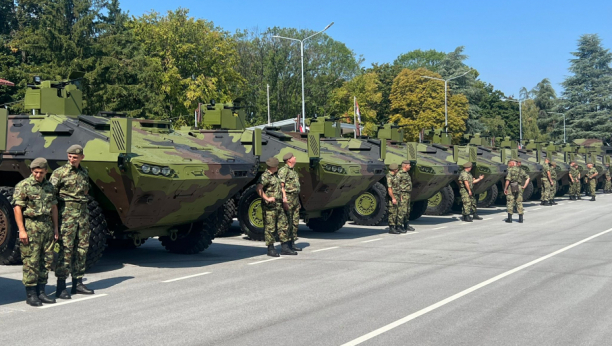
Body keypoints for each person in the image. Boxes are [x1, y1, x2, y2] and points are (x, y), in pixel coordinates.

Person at [13, 158, 59, 306]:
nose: (38, 175)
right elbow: (17, 208)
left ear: (46, 171)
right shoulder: (24, 186)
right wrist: (22, 230)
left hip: (46, 226)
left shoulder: (49, 187)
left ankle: (41, 291)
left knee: (46, 261)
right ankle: (31, 294)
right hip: (31, 226)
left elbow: (53, 208)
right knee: (31, 261)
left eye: (41, 172)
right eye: (35, 172)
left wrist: (56, 228)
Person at [51, 145, 94, 298]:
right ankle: (61, 286)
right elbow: (51, 196)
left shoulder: (84, 172)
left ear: (81, 157)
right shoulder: (59, 173)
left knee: (82, 249)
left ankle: (78, 283)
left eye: (75, 157)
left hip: (82, 214)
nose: (72, 159)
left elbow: (86, 191)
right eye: (70, 156)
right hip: (66, 215)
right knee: (66, 250)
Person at [257, 157, 294, 257]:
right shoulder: (265, 176)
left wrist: (284, 199)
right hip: (270, 207)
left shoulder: (276, 175)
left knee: (283, 225)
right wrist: (267, 198)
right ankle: (271, 248)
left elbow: (281, 187)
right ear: (273, 166)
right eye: (277, 165)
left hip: (279, 204)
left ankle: (285, 247)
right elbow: (259, 189)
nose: (278, 167)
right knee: (270, 227)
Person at [278, 152, 301, 252]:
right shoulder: (283, 171)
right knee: (285, 222)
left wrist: (298, 201)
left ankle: (292, 243)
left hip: (295, 199)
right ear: (289, 160)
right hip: (288, 199)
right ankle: (285, 246)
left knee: (294, 222)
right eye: (293, 157)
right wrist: (284, 200)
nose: (295, 157)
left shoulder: (293, 171)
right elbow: (281, 186)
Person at [504, 159, 530, 223]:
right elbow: (528, 178)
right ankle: (521, 218)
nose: (508, 165)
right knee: (519, 202)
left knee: (510, 201)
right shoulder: (521, 170)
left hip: (511, 186)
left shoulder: (510, 170)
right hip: (519, 186)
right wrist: (524, 186)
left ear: (513, 164)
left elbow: (508, 180)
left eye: (509, 163)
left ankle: (509, 219)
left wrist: (505, 188)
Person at [397, 160, 415, 232]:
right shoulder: (399, 174)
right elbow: (397, 185)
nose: (410, 166)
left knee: (407, 210)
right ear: (405, 166)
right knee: (402, 210)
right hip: (402, 194)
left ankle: (406, 225)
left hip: (407, 194)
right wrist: (399, 195)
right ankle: (399, 225)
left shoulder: (406, 174)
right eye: (409, 165)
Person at [386, 163, 402, 234]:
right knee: (392, 212)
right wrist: (393, 198)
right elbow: (389, 189)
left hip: (397, 195)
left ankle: (396, 226)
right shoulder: (389, 177)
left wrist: (400, 196)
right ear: (394, 169)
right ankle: (391, 228)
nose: (398, 170)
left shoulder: (395, 176)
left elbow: (398, 187)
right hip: (393, 196)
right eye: (397, 169)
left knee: (397, 211)